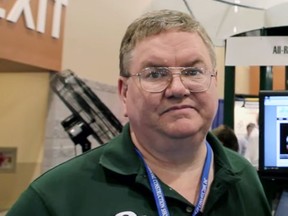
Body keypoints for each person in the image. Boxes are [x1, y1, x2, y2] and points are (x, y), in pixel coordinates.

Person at [7, 9, 271, 216]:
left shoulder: (244, 179)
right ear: (124, 93)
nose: (177, 88)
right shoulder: (56, 199)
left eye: (193, 71)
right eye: (155, 74)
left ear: (214, 81)